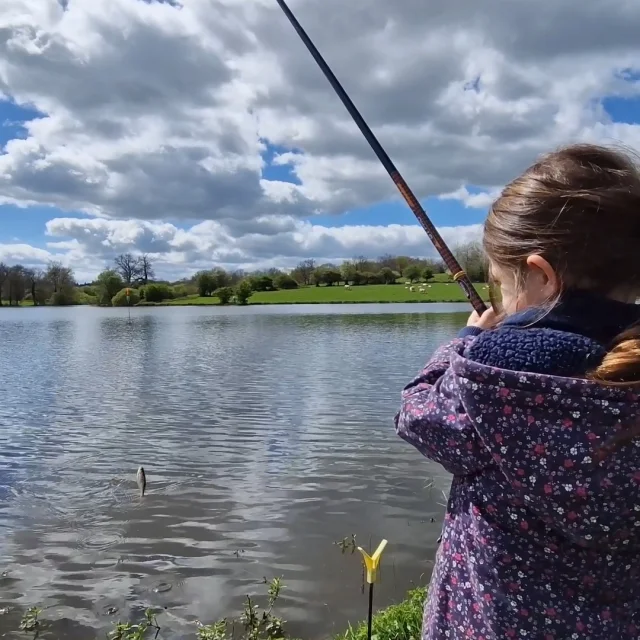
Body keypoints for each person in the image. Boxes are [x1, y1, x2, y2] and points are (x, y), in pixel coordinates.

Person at [395, 143, 640, 639]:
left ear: (542, 276)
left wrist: (466, 342)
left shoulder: (492, 384)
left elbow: (416, 414)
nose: (502, 302)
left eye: (503, 285)